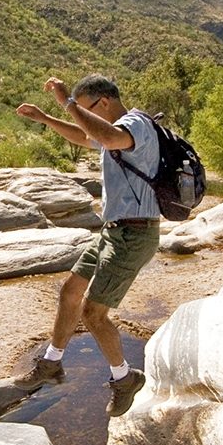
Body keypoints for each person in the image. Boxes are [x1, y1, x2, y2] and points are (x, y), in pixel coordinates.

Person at [13, 74, 160, 417]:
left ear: (103, 103)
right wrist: (46, 119)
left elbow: (104, 135)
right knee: (69, 292)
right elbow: (85, 136)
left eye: (85, 107)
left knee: (93, 314)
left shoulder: (135, 124)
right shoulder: (117, 132)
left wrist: (67, 101)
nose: (81, 114)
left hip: (134, 235)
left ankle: (125, 378)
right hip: (113, 231)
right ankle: (52, 363)